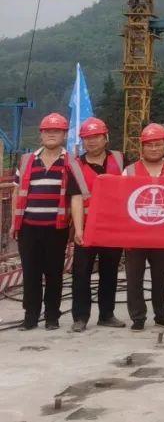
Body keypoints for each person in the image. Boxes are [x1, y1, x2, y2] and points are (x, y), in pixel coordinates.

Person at [12, 113, 88, 331]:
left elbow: (76, 197)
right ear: (41, 134)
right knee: (31, 273)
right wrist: (14, 223)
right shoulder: (27, 160)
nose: (51, 134)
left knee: (54, 274)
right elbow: (17, 192)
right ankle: (30, 316)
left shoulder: (71, 163)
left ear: (64, 135)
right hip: (28, 228)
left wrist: (78, 230)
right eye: (47, 131)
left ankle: (52, 316)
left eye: (56, 131)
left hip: (56, 229)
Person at [68, 117, 126, 331]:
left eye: (96, 137)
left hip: (113, 227)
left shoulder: (120, 159)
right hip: (87, 228)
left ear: (105, 137)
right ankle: (80, 317)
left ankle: (107, 315)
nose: (91, 141)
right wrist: (79, 229)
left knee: (109, 272)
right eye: (87, 138)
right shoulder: (76, 165)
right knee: (81, 273)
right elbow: (75, 198)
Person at [123, 123, 164, 330]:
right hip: (135, 234)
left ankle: (161, 314)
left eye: (158, 144)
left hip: (162, 234)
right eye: (150, 145)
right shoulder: (129, 171)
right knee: (134, 278)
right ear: (142, 147)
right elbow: (121, 200)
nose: (154, 149)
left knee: (160, 277)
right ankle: (138, 317)